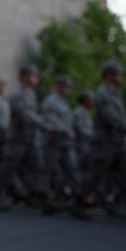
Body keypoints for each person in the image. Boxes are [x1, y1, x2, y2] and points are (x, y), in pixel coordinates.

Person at [76, 62, 126, 222]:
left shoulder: (115, 93)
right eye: (118, 74)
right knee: (95, 175)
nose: (121, 77)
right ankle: (79, 201)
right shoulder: (102, 94)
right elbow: (111, 118)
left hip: (118, 142)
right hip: (105, 143)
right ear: (109, 76)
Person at [0, 65, 52, 211]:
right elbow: (24, 114)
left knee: (36, 167)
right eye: (31, 75)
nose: (34, 78)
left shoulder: (31, 94)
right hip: (15, 138)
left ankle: (39, 195)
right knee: (6, 168)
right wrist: (43, 124)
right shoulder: (17, 94)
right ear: (23, 77)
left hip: (29, 137)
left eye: (36, 76)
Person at [41, 75, 89, 219]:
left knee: (72, 170)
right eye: (65, 86)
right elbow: (51, 122)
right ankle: (49, 200)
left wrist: (70, 132)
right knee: (52, 172)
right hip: (53, 142)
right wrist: (67, 131)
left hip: (65, 143)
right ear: (58, 86)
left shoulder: (64, 102)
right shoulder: (51, 102)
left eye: (69, 87)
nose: (68, 90)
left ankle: (76, 202)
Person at [73, 90, 94, 175]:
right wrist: (94, 136)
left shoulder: (86, 112)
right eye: (90, 100)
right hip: (80, 145)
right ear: (84, 100)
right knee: (79, 167)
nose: (92, 102)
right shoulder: (78, 112)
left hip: (87, 144)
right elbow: (82, 130)